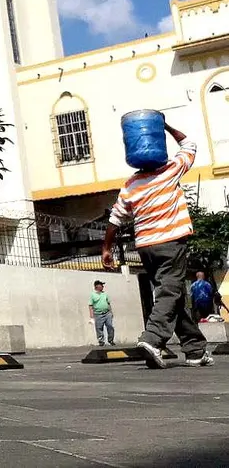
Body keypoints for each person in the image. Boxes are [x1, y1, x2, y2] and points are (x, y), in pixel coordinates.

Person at [104, 122, 212, 368]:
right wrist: (165, 126)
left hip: (146, 247)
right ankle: (152, 339)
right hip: (171, 243)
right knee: (169, 293)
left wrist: (106, 248)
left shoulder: (131, 184)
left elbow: (115, 219)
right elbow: (189, 145)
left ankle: (195, 349)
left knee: (174, 294)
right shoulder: (171, 170)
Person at [89, 280, 115, 347]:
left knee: (110, 326)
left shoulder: (105, 294)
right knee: (99, 328)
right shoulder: (92, 295)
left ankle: (111, 340)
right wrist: (91, 316)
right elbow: (90, 305)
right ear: (97, 286)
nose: (103, 286)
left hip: (107, 313)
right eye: (101, 285)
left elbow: (108, 303)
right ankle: (101, 341)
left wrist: (111, 312)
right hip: (98, 314)